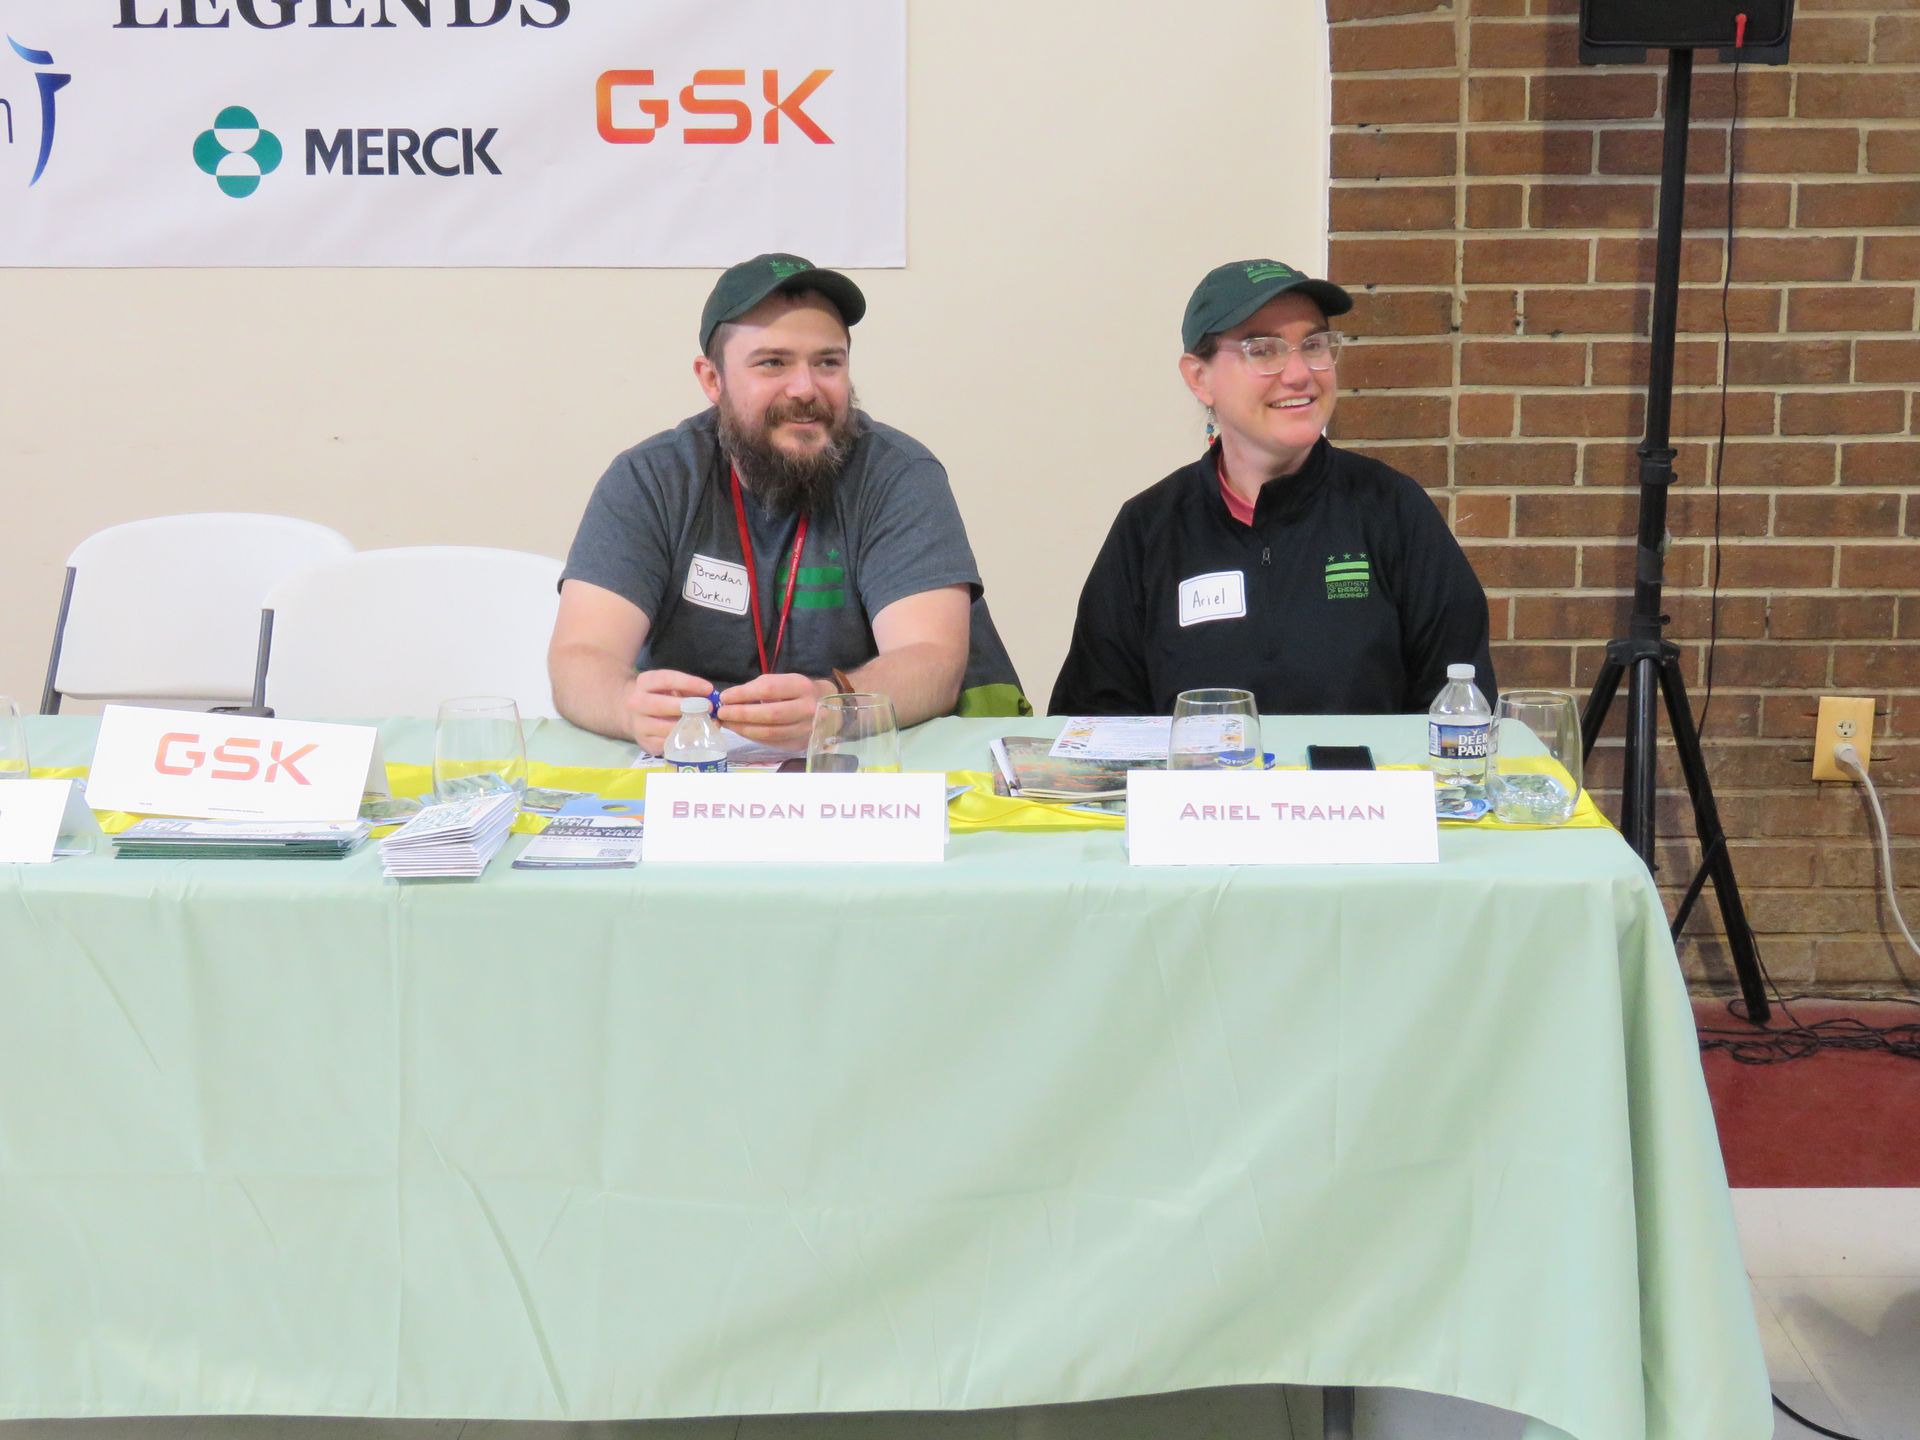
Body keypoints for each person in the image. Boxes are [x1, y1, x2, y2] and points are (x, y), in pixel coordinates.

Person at [550, 253, 1028, 752]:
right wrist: (627, 707)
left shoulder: (898, 474)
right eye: (773, 363)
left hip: (858, 764)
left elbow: (931, 659)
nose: (805, 389)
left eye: (827, 363)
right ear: (712, 379)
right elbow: (580, 658)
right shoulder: (650, 478)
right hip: (692, 765)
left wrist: (833, 706)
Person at [1049, 258, 1494, 716]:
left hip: (1359, 788)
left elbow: (1458, 709)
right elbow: (1095, 723)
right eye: (1263, 350)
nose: (1299, 374)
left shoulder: (1391, 509)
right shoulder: (1149, 529)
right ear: (1199, 378)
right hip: (1197, 789)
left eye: (1314, 345)